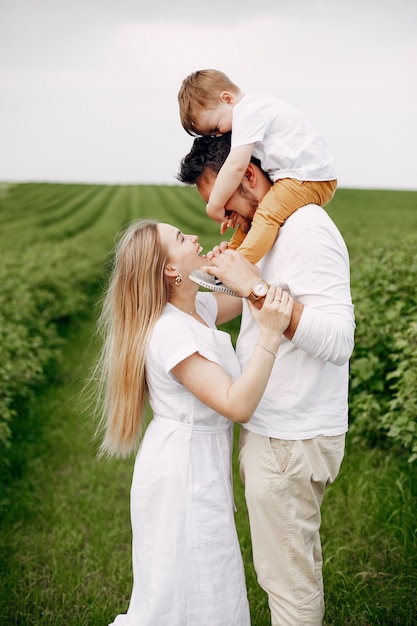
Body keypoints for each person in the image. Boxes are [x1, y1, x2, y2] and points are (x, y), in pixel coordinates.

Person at [177, 134, 355, 626]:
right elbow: (247, 308)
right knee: (294, 566)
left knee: (287, 587)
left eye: (225, 203)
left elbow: (340, 341)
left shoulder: (306, 230)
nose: (223, 219)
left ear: (249, 176)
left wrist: (252, 286)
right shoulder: (272, 229)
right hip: (280, 434)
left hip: (289, 438)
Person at [94, 218, 293, 626]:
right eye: (183, 239)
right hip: (182, 472)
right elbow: (236, 406)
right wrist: (271, 335)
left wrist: (247, 238)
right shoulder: (170, 331)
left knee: (203, 573)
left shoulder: (196, 305)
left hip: (198, 461)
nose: (196, 237)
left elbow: (243, 293)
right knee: (195, 578)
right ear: (170, 270)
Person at [178, 68, 337, 293]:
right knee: (258, 219)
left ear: (227, 98)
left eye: (215, 128)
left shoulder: (248, 112)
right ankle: (227, 262)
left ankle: (236, 269)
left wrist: (214, 205)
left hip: (307, 177)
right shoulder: (253, 108)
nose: (219, 135)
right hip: (302, 176)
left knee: (266, 215)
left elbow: (235, 165)